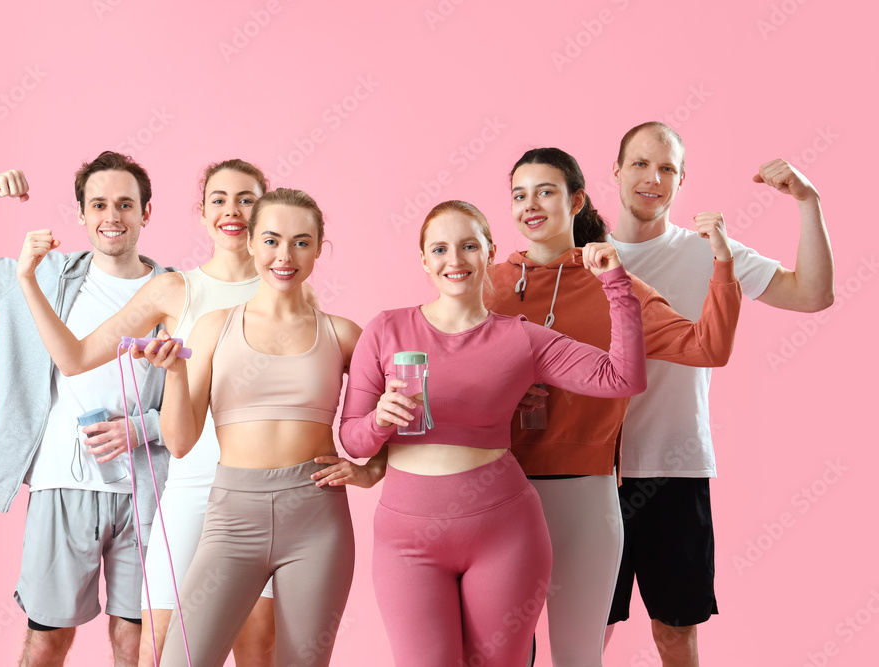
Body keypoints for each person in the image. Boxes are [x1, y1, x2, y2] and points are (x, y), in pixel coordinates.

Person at [339, 200, 648, 667]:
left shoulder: (519, 337)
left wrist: (616, 285)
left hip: (503, 533)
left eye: (468, 246)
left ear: (490, 252)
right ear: (424, 260)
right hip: (406, 538)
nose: (455, 260)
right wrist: (381, 418)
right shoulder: (386, 329)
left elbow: (621, 378)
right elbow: (354, 441)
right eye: (439, 248)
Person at [486, 147, 742, 666]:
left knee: (579, 654)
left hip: (587, 485)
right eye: (519, 194)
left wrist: (722, 262)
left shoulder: (612, 280)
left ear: (576, 200)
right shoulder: (488, 285)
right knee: (503, 649)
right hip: (498, 486)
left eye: (546, 192)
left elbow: (707, 348)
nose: (530, 205)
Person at [604, 122, 834, 667]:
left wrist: (809, 201)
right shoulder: (582, 258)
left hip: (674, 472)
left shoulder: (711, 252)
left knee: (676, 634)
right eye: (639, 164)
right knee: (585, 632)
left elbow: (813, 294)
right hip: (590, 472)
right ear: (615, 171)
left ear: (682, 179)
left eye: (666, 168)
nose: (652, 178)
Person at [0, 152, 169, 667]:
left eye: (126, 204)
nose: (113, 216)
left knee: (139, 644)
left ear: (146, 213)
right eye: (99, 204)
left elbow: (207, 392)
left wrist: (143, 428)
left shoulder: (176, 291)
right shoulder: (42, 276)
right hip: (64, 484)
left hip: (148, 491)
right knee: (47, 641)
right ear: (81, 214)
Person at [139, 188, 378, 667]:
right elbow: (181, 443)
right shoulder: (213, 327)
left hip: (316, 517)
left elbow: (401, 410)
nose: (284, 256)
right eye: (271, 240)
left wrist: (371, 471)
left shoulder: (344, 334)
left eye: (301, 242)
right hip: (232, 515)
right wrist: (174, 373)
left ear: (318, 246)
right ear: (250, 242)